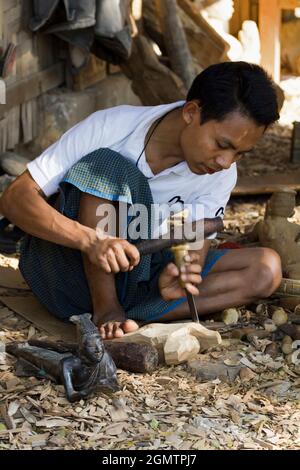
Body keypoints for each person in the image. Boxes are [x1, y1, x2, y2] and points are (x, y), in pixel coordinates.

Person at [0, 62, 283, 339]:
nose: (225, 162)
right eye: (222, 145)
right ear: (191, 112)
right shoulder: (111, 126)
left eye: (239, 154)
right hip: (68, 275)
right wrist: (91, 240)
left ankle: (132, 315)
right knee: (109, 164)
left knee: (266, 269)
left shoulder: (221, 173)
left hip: (144, 274)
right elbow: (15, 198)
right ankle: (106, 306)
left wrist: (183, 271)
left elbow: (196, 238)